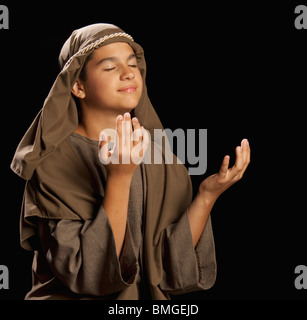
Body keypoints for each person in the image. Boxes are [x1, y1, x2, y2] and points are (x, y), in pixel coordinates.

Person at [10, 23, 250, 300]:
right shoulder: (53, 162)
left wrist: (207, 197)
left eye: (133, 65)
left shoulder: (158, 156)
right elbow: (89, 273)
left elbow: (165, 266)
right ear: (77, 85)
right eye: (110, 68)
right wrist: (120, 177)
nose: (128, 74)